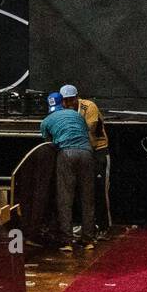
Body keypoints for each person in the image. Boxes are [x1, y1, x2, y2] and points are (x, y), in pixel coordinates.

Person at [39, 86, 95, 252]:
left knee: (65, 198)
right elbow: (85, 131)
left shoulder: (46, 121)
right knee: (87, 198)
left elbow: (48, 144)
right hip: (86, 153)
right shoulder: (77, 115)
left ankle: (67, 241)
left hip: (66, 154)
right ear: (63, 103)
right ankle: (88, 240)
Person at [71, 85, 111, 239]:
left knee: (100, 190)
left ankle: (104, 226)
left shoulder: (89, 106)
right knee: (79, 190)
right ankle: (85, 224)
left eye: (70, 100)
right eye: (65, 101)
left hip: (98, 151)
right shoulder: (64, 109)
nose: (68, 103)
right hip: (81, 152)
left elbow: (90, 132)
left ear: (76, 97)